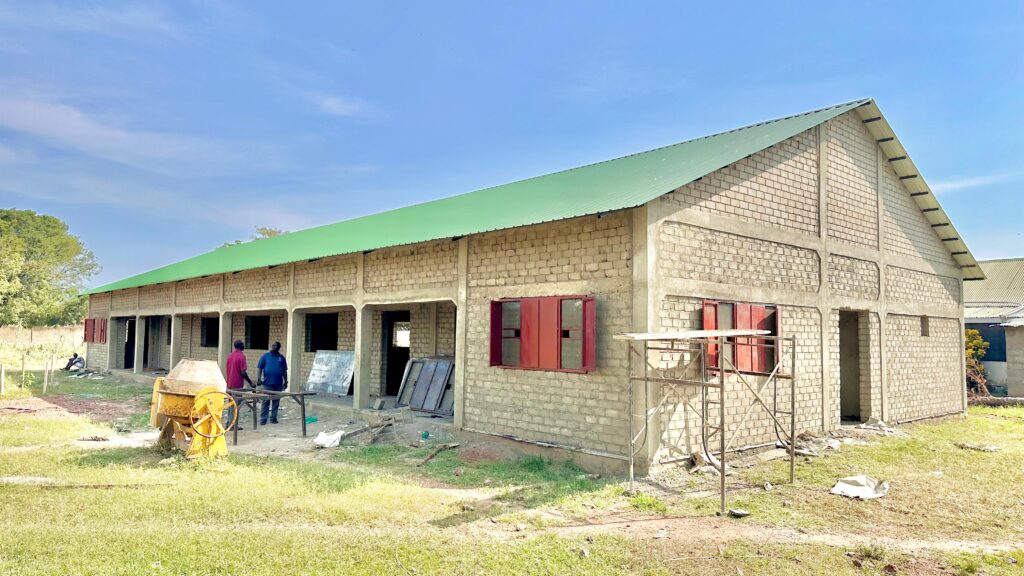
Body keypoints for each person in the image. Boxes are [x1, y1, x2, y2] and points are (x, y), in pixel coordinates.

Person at [224, 340, 254, 430]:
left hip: (229, 383)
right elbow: (243, 372)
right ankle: (232, 425)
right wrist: (250, 382)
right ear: (240, 346)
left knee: (231, 404)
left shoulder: (230, 355)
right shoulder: (241, 356)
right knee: (235, 405)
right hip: (237, 384)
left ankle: (229, 423)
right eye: (243, 344)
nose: (244, 345)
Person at [257, 341, 288, 425]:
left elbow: (284, 370)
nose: (273, 347)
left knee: (276, 402)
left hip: (278, 383)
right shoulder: (265, 356)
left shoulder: (281, 358)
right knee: (265, 401)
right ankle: (263, 419)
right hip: (267, 383)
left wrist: (286, 381)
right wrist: (259, 379)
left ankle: (273, 418)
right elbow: (260, 368)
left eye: (275, 346)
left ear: (278, 347)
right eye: (272, 345)